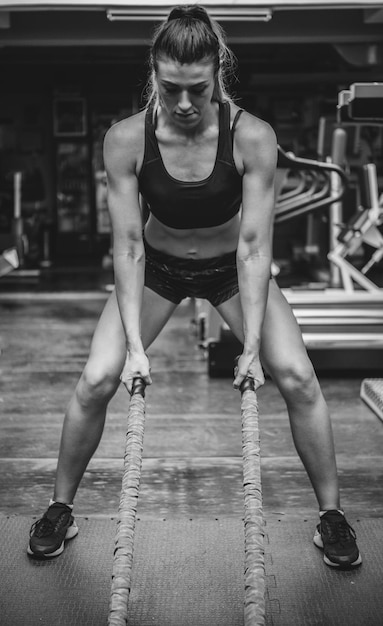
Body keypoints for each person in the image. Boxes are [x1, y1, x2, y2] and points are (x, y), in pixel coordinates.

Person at [28, 4, 361, 569]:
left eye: (198, 90)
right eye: (170, 88)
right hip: (155, 267)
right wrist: (135, 347)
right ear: (154, 75)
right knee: (97, 378)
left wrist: (251, 346)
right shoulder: (126, 139)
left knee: (299, 376)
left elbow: (255, 248)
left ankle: (331, 515)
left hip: (231, 271)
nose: (184, 103)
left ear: (219, 73)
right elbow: (128, 246)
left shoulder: (252, 136)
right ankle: (61, 507)